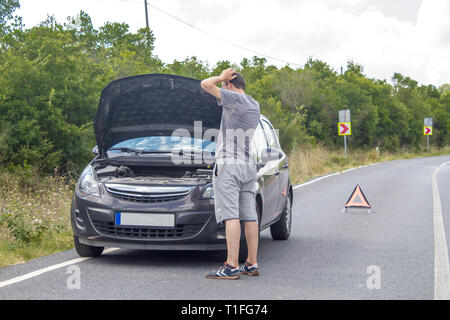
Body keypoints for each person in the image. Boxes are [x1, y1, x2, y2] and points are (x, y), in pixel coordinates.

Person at [200, 68, 261, 279]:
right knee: (249, 216)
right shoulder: (254, 104)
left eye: (225, 84)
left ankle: (231, 266)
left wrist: (220, 77)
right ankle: (251, 263)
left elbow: (206, 84)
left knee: (231, 216)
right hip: (247, 165)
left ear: (230, 86)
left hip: (229, 164)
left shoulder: (233, 99)